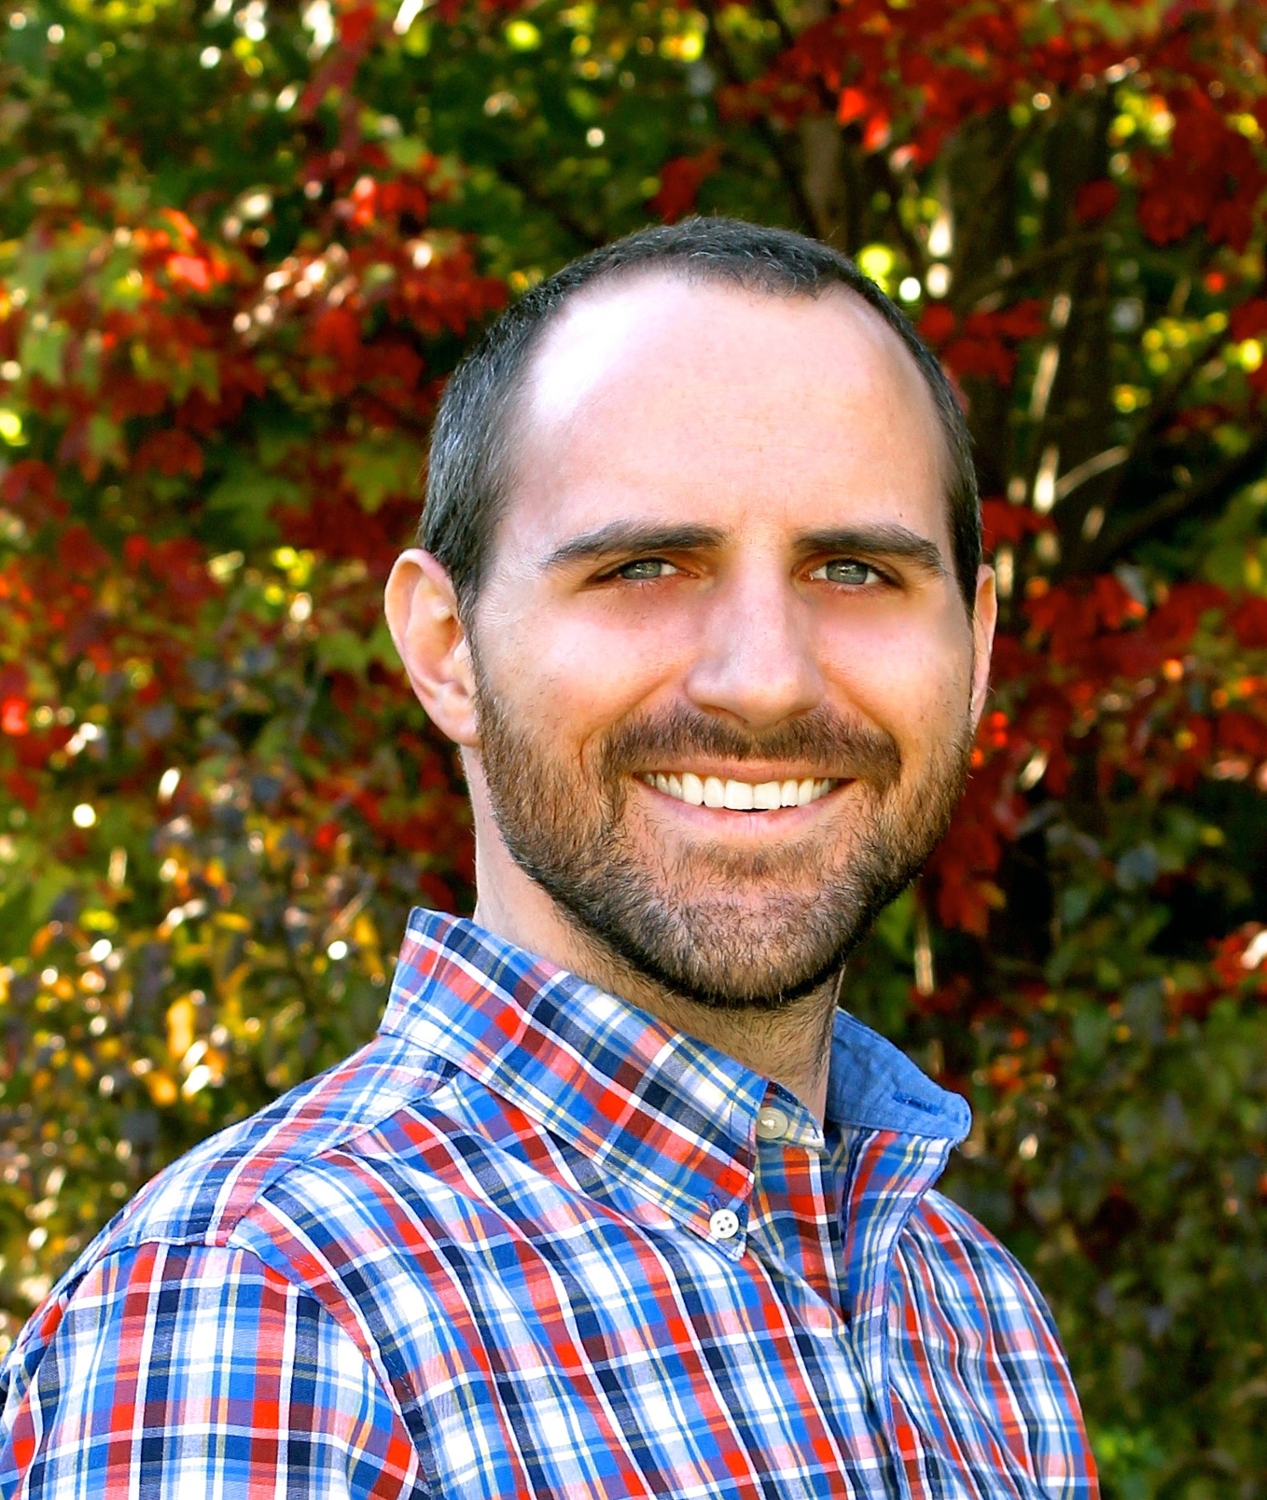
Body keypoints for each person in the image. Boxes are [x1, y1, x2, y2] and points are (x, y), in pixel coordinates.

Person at [0, 219, 1097, 1499]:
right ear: (445, 648)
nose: (763, 678)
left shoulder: (979, 1321)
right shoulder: (267, 1318)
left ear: (975, 648)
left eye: (853, 570)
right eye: (644, 566)